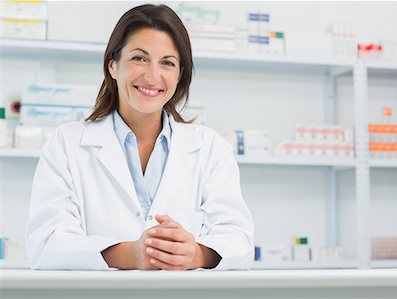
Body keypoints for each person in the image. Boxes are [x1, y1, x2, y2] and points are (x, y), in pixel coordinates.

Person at [26, 4, 254, 270]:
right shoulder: (67, 143)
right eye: (139, 58)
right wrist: (131, 254)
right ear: (112, 65)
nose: (152, 76)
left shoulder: (210, 148)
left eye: (167, 63)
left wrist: (195, 254)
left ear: (180, 74)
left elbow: (239, 241)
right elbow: (46, 244)